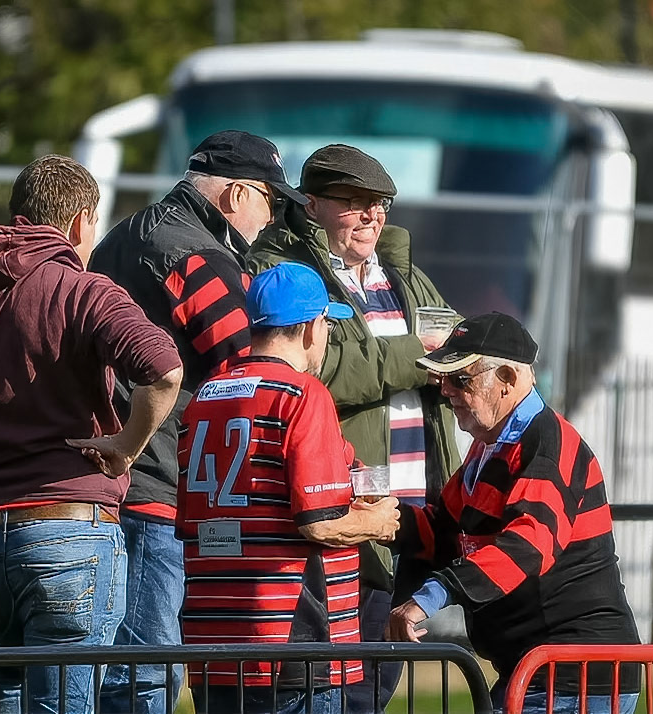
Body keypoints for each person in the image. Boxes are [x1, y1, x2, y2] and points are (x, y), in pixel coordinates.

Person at [0, 154, 183, 714]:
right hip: (68, 533)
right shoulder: (85, 292)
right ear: (80, 224)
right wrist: (126, 448)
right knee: (64, 700)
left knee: (10, 692)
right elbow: (164, 369)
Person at [87, 130, 307, 713]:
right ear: (237, 194)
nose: (271, 217)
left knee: (103, 668)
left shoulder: (121, 236)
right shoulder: (201, 256)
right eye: (271, 199)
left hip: (103, 477)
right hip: (156, 486)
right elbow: (245, 373)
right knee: (146, 674)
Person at [246, 144, 463, 711]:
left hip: (415, 514)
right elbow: (326, 363)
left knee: (378, 686)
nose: (372, 216)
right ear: (312, 204)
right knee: (343, 692)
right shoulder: (285, 270)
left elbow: (455, 342)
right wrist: (420, 353)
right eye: (355, 203)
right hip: (348, 517)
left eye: (381, 204)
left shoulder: (404, 277)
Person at [386, 312, 641, 714]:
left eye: (460, 379)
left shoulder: (548, 441)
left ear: (507, 378)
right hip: (538, 670)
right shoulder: (489, 446)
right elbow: (441, 530)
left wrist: (430, 598)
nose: (446, 391)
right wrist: (379, 517)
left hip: (577, 675)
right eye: (443, 380)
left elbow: (527, 545)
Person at [177, 262, 402, 714]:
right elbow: (319, 524)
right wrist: (376, 521)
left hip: (211, 637)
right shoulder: (302, 394)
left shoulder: (206, 394)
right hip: (290, 639)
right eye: (326, 324)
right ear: (308, 328)